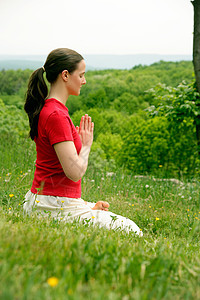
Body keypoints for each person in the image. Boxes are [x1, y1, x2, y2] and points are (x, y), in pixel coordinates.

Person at [23, 48, 143, 236]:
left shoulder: (51, 109)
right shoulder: (56, 115)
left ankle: (87, 208)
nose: (84, 81)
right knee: (132, 230)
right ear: (65, 75)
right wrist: (86, 145)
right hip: (52, 205)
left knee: (103, 212)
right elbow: (75, 172)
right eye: (81, 75)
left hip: (46, 200)